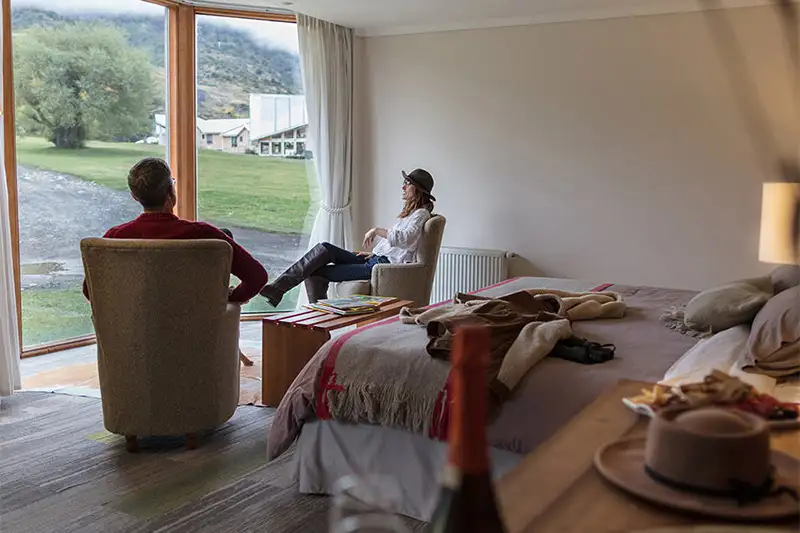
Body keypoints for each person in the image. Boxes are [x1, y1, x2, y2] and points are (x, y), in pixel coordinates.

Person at [81, 158, 268, 304]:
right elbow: (257, 277)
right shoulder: (205, 234)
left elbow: (90, 291)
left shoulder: (114, 239)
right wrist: (227, 297)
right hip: (197, 334)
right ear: (171, 191)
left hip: (138, 335)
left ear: (134, 196)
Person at [259, 168, 437, 306]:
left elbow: (405, 239)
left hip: (382, 266)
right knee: (325, 248)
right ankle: (277, 288)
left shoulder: (421, 214)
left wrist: (376, 230)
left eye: (407, 183)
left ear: (418, 190)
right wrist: (373, 253)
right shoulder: (411, 214)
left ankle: (319, 320)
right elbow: (396, 246)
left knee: (316, 273)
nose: (403, 187)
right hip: (375, 260)